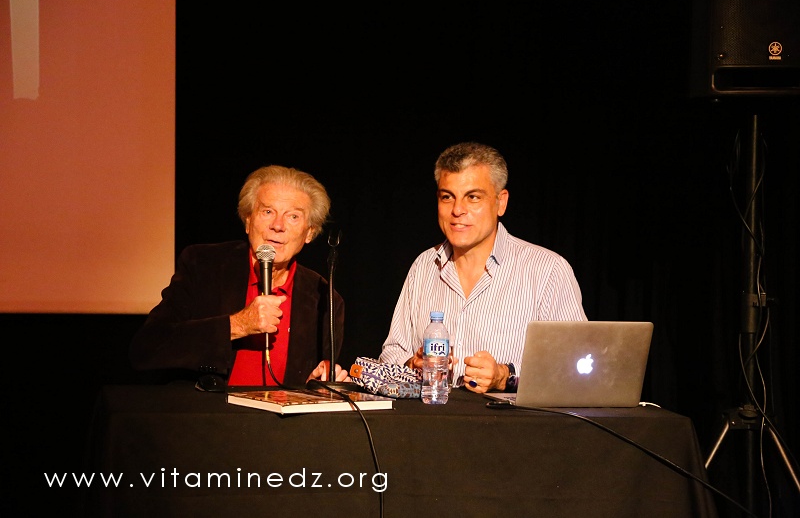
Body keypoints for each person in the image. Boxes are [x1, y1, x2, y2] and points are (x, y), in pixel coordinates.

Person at [379, 141, 587, 394]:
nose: (457, 210)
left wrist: (505, 377)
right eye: (447, 197)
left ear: (501, 202)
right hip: (432, 426)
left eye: (473, 197)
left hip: (513, 430)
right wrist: (412, 365)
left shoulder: (547, 270)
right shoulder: (424, 266)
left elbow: (575, 368)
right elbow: (391, 353)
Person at [130, 165, 349, 388]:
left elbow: (312, 386)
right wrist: (237, 325)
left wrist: (315, 385)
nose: (278, 225)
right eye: (267, 212)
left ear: (309, 233)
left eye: (293, 216)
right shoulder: (205, 266)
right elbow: (147, 349)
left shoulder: (325, 299)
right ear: (247, 220)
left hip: (280, 423)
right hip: (207, 418)